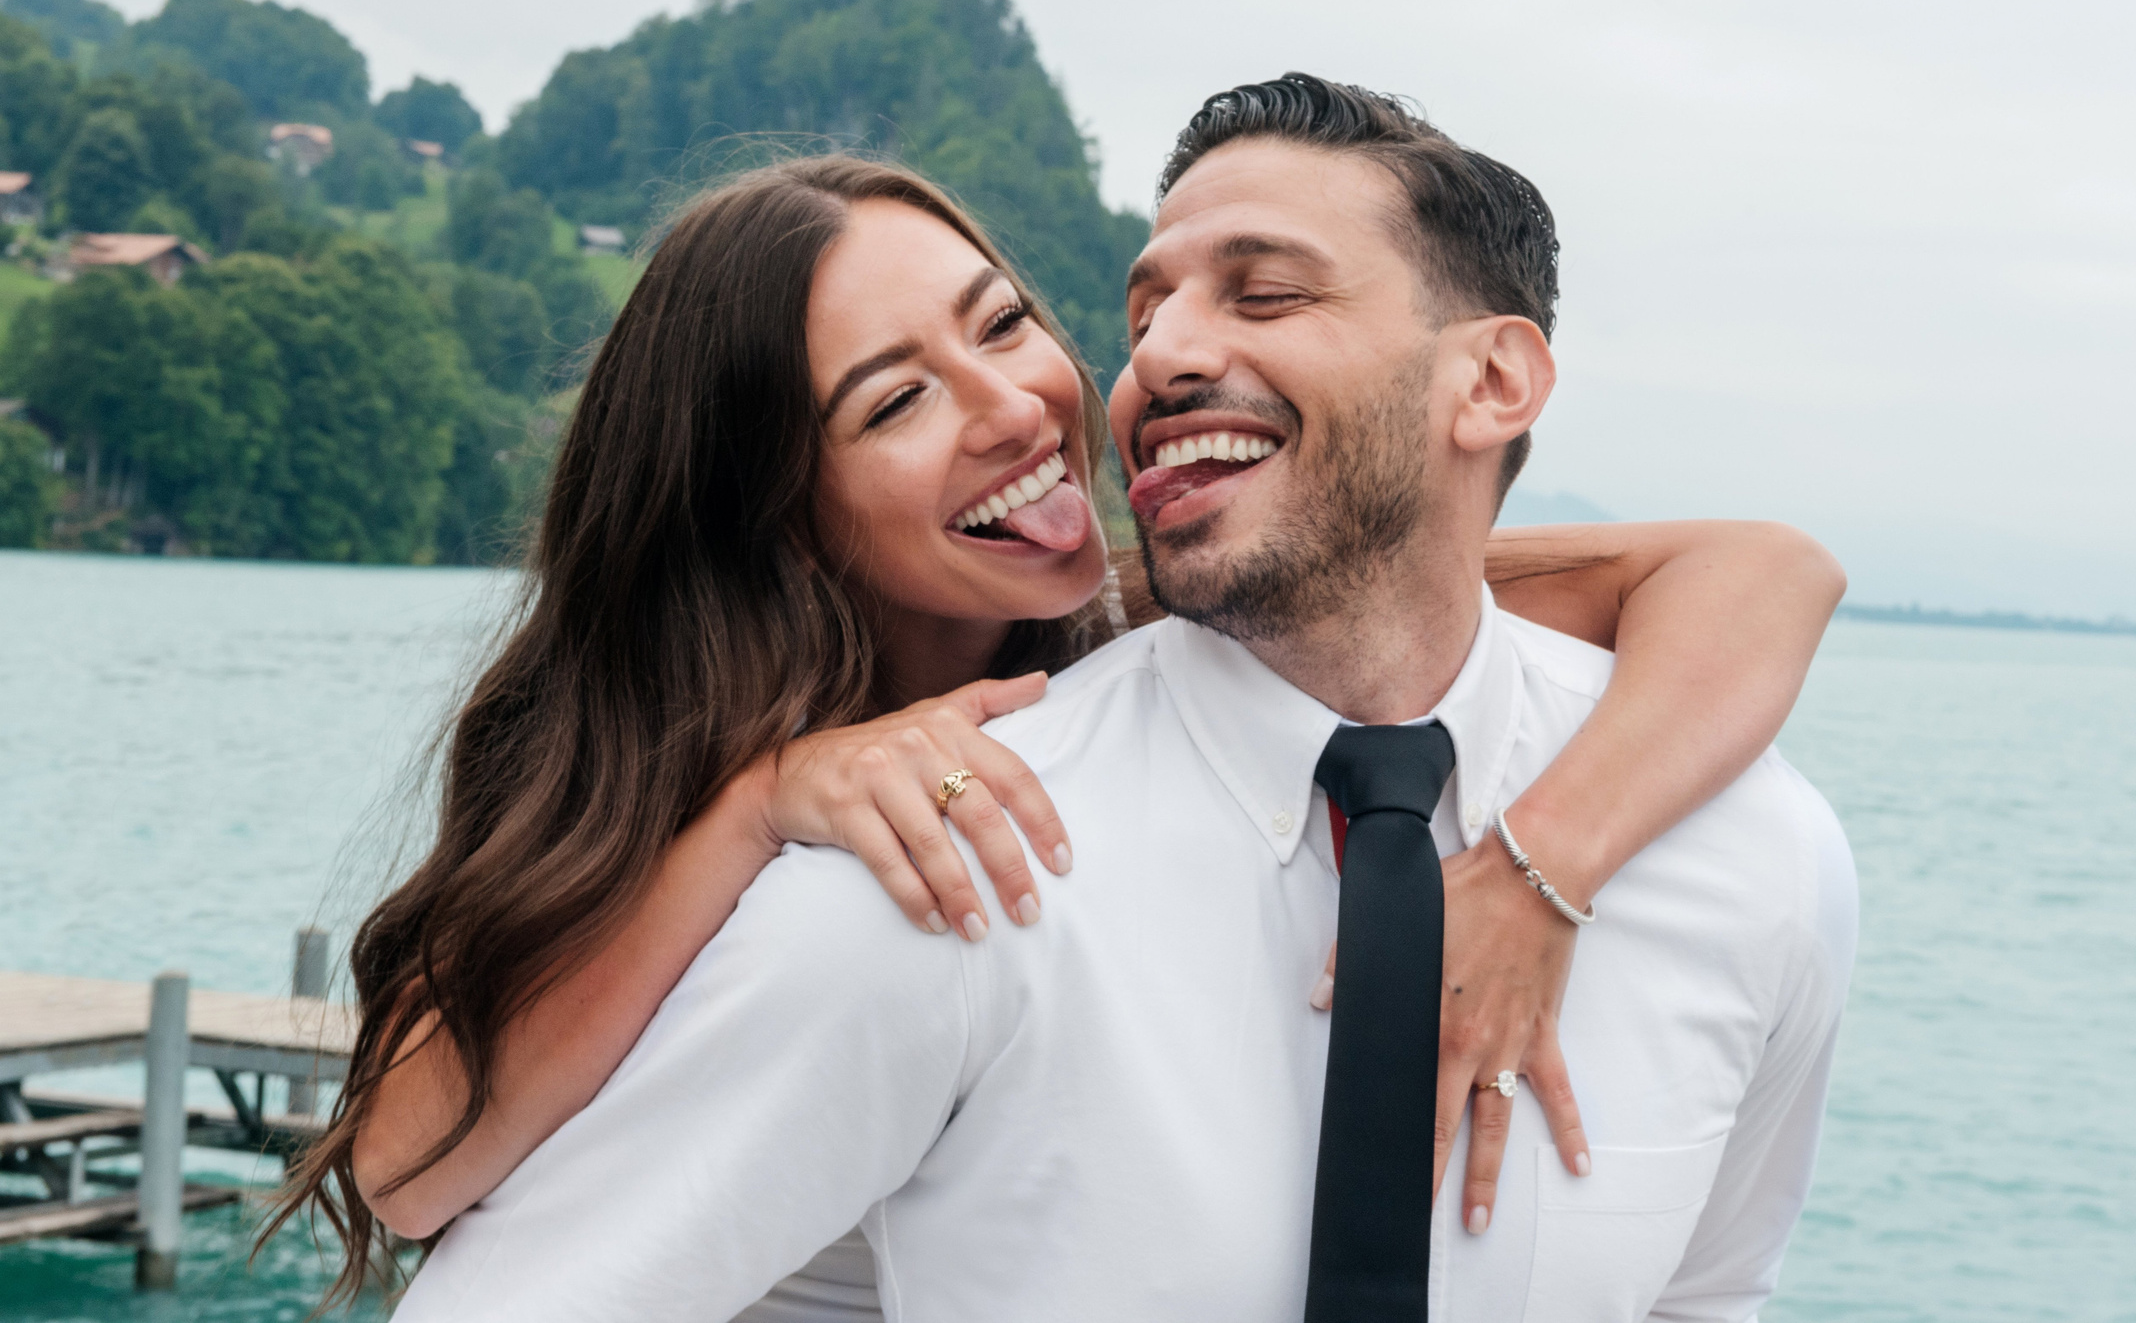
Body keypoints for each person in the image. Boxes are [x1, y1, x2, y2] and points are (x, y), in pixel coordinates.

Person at [383, 76, 1856, 1322]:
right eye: (893, 403)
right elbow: (411, 1168)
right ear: (789, 519)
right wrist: (759, 804)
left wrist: (1543, 865)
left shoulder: (1751, 859)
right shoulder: (918, 859)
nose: (1066, 390)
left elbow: (1758, 568)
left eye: (1011, 321)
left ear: (1494, 381)